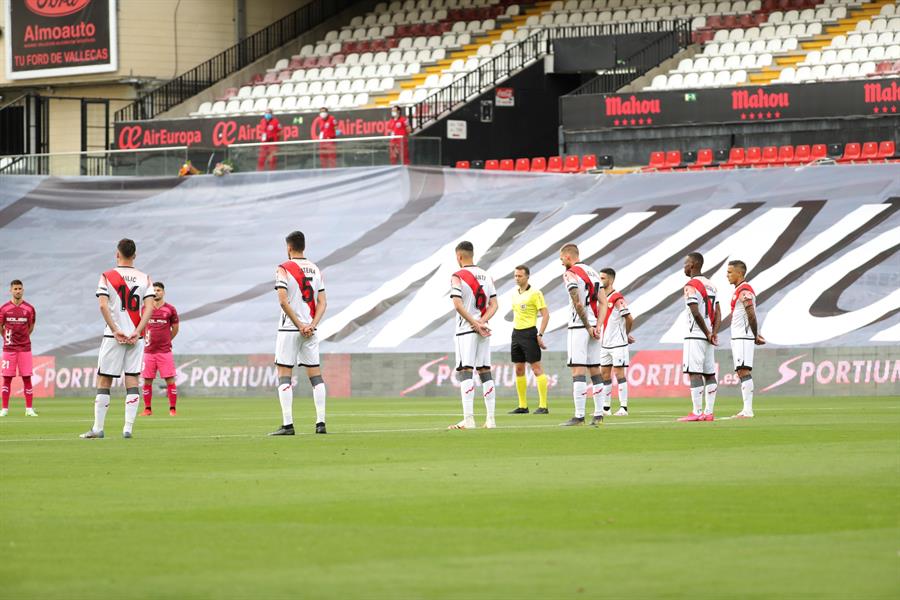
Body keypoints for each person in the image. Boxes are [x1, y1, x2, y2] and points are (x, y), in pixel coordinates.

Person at [81, 239, 156, 439]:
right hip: (135, 337)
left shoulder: (107, 276)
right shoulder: (144, 278)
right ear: (135, 255)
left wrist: (115, 330)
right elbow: (149, 307)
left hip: (113, 336)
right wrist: (138, 331)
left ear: (117, 254)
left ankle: (98, 428)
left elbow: (103, 306)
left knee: (104, 379)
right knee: (132, 379)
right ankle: (128, 428)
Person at [269, 231, 329, 436]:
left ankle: (288, 425)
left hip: (289, 328)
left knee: (284, 374)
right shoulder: (315, 269)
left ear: (289, 247)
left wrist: (299, 324)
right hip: (310, 330)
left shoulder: (283, 268)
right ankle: (320, 423)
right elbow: (323, 303)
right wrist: (311, 324)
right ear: (304, 246)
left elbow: (283, 301)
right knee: (316, 376)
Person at [448, 241, 498, 430]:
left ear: (459, 256)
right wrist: (482, 322)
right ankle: (491, 419)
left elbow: (457, 304)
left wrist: (474, 323)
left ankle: (468, 419)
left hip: (466, 329)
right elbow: (494, 305)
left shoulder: (457, 276)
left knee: (466, 371)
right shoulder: (486, 275)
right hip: (484, 330)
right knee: (485, 371)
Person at [558, 244, 607, 427]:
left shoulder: (570, 273)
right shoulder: (593, 272)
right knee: (595, 369)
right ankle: (599, 414)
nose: (561, 261)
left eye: (561, 258)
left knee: (578, 370)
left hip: (580, 326)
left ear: (569, 257)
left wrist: (587, 327)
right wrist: (598, 326)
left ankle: (579, 416)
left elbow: (577, 303)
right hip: (595, 326)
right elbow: (604, 302)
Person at [677, 252, 721, 422]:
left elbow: (695, 311)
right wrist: (713, 332)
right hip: (708, 336)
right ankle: (708, 412)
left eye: (686, 263)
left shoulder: (690, 285)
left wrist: (707, 332)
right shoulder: (712, 286)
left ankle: (696, 412)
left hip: (695, 334)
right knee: (709, 373)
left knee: (694, 372)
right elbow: (718, 313)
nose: (684, 267)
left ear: (693, 264)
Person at [508, 265, 550, 415]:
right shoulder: (514, 294)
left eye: (519, 276)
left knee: (536, 368)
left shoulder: (535, 293)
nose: (517, 278)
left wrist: (540, 334)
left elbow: (545, 315)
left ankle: (543, 406)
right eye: (515, 276)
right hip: (516, 334)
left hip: (529, 333)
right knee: (518, 369)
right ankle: (523, 406)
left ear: (527, 277)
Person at [726, 260, 765, 418]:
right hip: (739, 336)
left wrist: (755, 334)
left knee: (743, 370)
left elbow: (751, 313)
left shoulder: (744, 290)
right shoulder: (738, 290)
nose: (727, 275)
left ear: (739, 273)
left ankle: (748, 410)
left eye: (729, 272)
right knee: (741, 371)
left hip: (743, 336)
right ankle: (746, 409)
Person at [597, 268, 634, 417]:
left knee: (619, 373)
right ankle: (606, 408)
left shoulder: (617, 297)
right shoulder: (601, 299)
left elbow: (629, 318)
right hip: (604, 343)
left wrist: (625, 334)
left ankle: (623, 407)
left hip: (618, 343)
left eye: (603, 278)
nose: (600, 281)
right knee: (604, 374)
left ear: (611, 280)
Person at [141, 282, 180, 416]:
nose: (156, 292)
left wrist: (167, 340)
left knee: (170, 379)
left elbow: (175, 328)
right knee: (147, 380)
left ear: (163, 292)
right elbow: (141, 326)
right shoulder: (145, 308)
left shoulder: (170, 309)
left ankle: (172, 409)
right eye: (154, 290)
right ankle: (147, 409)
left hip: (165, 351)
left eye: (158, 290)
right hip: (149, 352)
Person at [0, 280, 37, 417]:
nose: (17, 291)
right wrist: (7, 338)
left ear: (23, 290)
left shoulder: (29, 309)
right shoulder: (4, 309)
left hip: (25, 348)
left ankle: (29, 409)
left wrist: (23, 338)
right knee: (7, 379)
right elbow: (1, 326)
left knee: (27, 378)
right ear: (10, 290)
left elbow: (31, 326)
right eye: (15, 289)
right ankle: (4, 409)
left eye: (20, 288)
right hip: (9, 349)